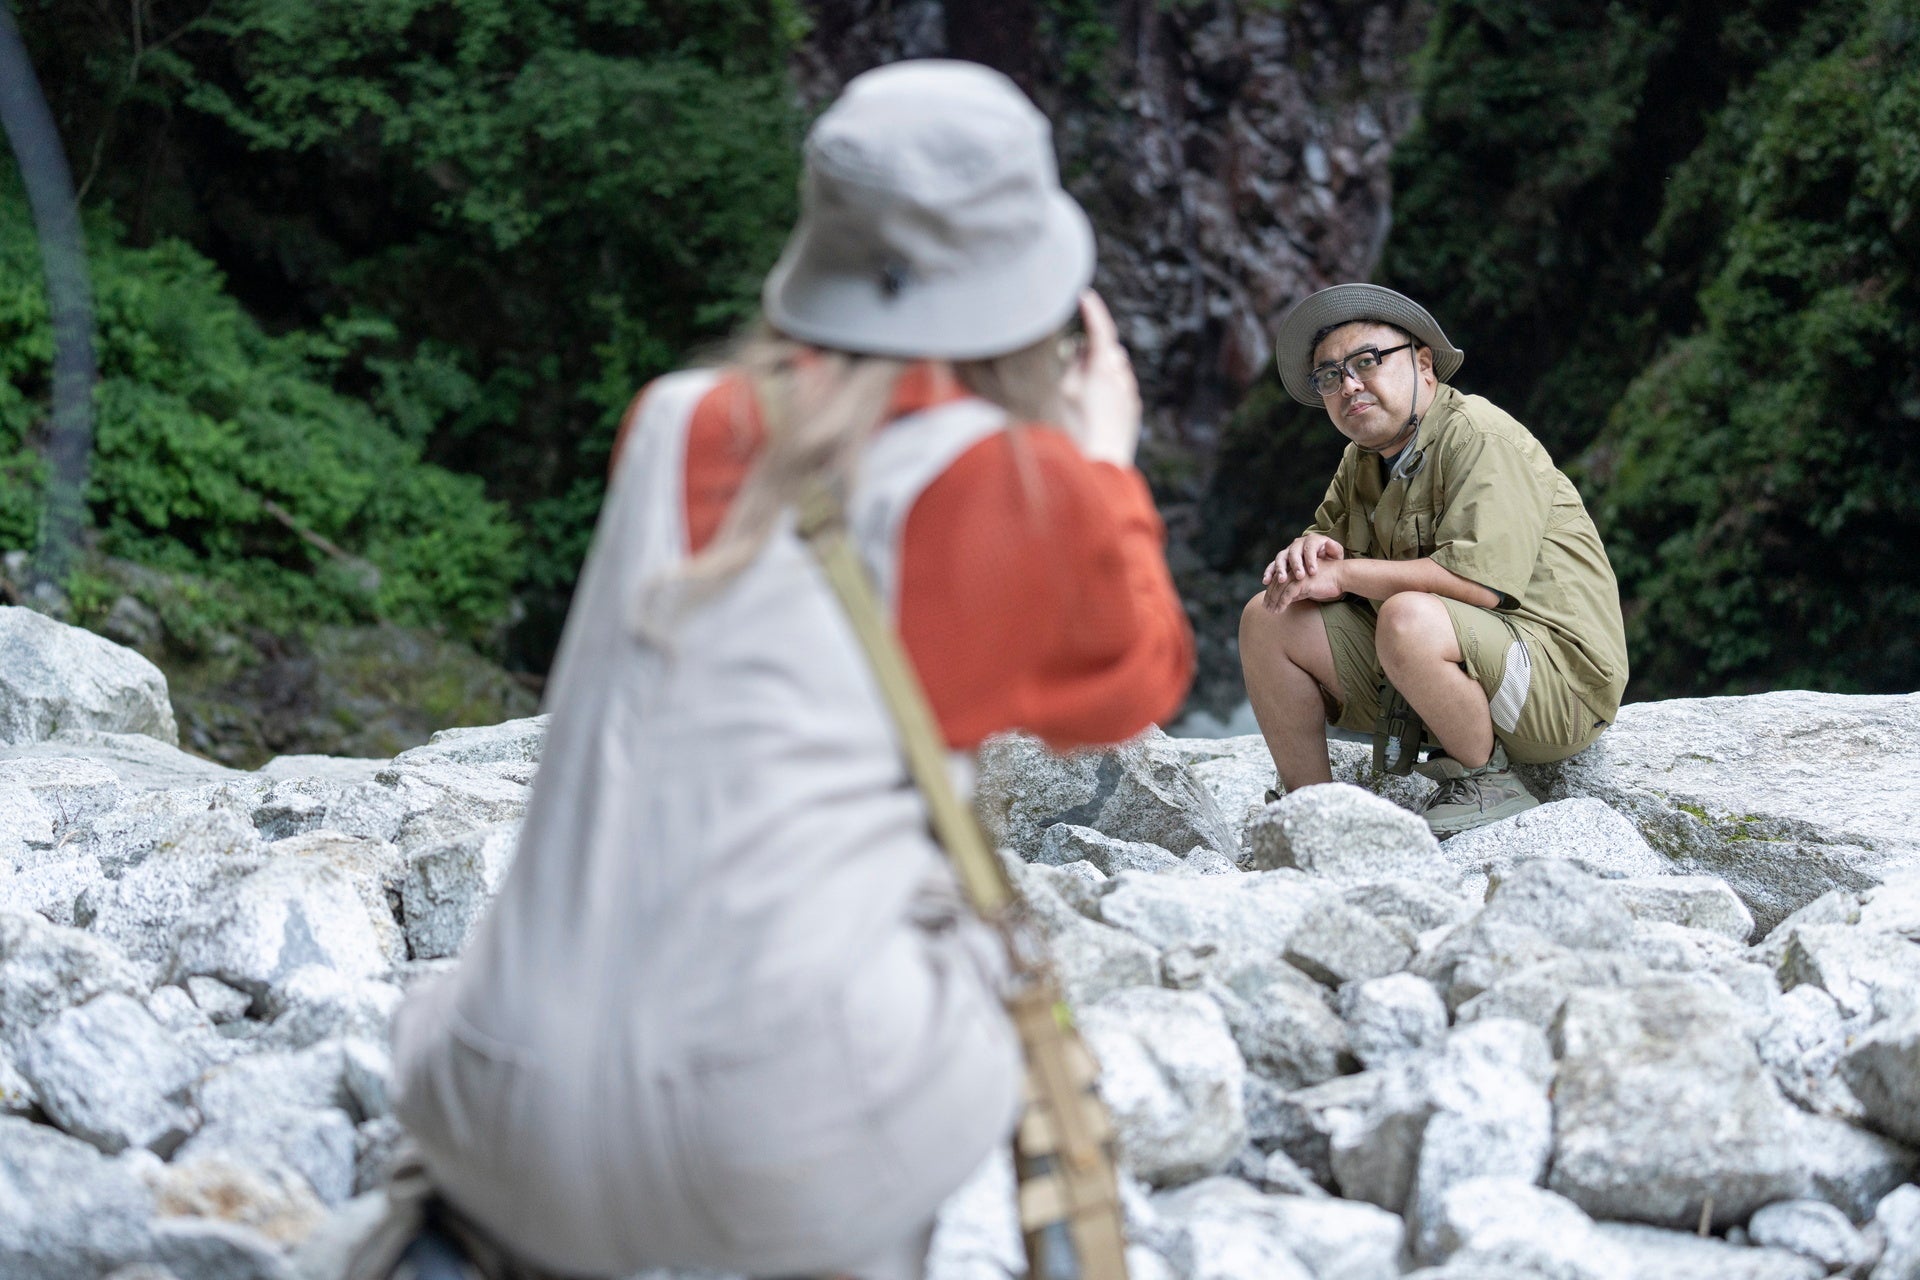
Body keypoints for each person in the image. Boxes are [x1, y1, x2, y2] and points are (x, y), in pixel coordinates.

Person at [387, 60, 1192, 1280]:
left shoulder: (667, 418)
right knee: (961, 983)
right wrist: (1104, 462)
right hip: (779, 1144)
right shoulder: (1010, 488)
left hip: (500, 1100)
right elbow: (1139, 682)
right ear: (1035, 289)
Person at [1238, 283, 1628, 836]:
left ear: (1423, 364)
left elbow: (1480, 586)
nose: (1349, 385)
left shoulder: (1481, 437)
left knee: (1408, 615)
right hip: (1432, 683)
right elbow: (1326, 541)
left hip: (1557, 690)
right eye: (1329, 376)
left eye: (1366, 362)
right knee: (1268, 616)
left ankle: (1486, 780)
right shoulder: (1361, 460)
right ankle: (1312, 815)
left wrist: (1345, 573)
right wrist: (1307, 555)